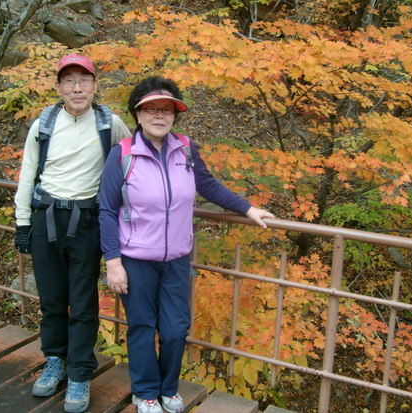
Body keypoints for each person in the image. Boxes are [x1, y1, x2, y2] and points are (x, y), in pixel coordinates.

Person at [98, 76, 274, 413]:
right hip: (135, 259)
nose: (159, 115)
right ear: (138, 114)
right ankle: (145, 392)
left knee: (176, 329)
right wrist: (113, 261)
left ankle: (168, 388)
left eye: (166, 109)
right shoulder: (123, 154)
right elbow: (106, 209)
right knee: (142, 327)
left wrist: (247, 208)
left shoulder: (185, 149)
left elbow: (208, 185)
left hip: (177, 259)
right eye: (151, 109)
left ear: (175, 115)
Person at [14, 53, 131, 413]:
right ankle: (55, 360)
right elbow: (27, 174)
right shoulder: (44, 124)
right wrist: (22, 223)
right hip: (46, 219)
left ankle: (80, 372)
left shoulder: (109, 123)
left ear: (95, 86)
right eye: (69, 81)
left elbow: (133, 163)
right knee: (51, 300)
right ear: (59, 87)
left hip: (87, 222)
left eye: (84, 81)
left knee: (82, 302)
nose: (77, 88)